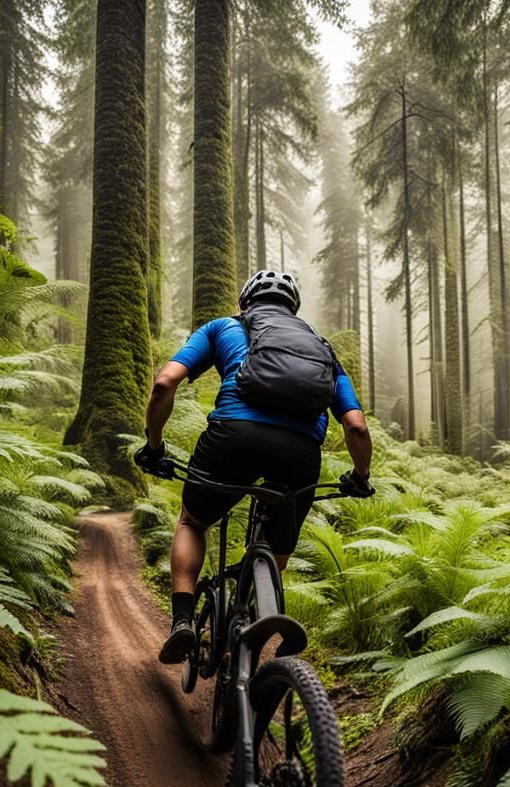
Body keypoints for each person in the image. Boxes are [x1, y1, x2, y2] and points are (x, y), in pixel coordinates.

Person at [134, 269, 375, 664]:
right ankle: (255, 613)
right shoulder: (322, 349)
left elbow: (164, 384)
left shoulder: (222, 328)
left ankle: (181, 621)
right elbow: (356, 426)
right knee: (278, 541)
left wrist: (155, 446)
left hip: (232, 439)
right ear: (292, 309)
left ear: (244, 303)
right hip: (299, 454)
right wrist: (360, 477)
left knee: (194, 522)